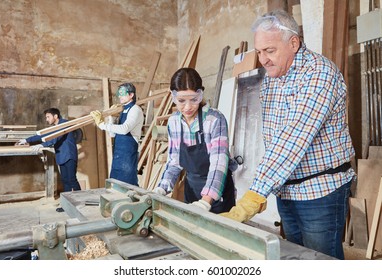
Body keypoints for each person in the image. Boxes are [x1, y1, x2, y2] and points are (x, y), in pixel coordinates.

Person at [220, 10, 356, 260]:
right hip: (286, 191)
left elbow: (292, 139)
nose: (263, 59)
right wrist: (267, 187)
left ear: (293, 43)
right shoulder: (273, 77)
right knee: (295, 258)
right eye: (259, 52)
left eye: (269, 50)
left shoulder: (318, 74)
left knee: (320, 261)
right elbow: (273, 136)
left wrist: (254, 196)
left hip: (320, 191)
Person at [153, 68, 236, 214]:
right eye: (181, 101)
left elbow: (219, 163)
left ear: (200, 94)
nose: (187, 107)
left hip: (217, 190)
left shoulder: (214, 119)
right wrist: (162, 188)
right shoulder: (174, 122)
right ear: (173, 97)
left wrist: (206, 201)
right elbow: (174, 161)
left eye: (193, 100)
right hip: (191, 188)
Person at [16, 108, 81, 212]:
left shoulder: (64, 124)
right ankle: (67, 205)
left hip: (69, 155)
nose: (46, 119)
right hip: (62, 157)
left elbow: (55, 138)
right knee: (65, 181)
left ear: (55, 116)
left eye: (48, 117)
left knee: (72, 180)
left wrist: (42, 144)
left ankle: (81, 202)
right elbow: (43, 135)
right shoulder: (55, 127)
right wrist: (26, 140)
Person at [90, 83, 144, 186]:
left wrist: (102, 124)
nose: (119, 96)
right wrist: (112, 117)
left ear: (131, 95)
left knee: (128, 186)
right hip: (118, 155)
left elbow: (124, 129)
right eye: (119, 94)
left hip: (128, 155)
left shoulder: (135, 110)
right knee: (115, 185)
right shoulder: (123, 110)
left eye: (122, 93)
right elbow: (113, 134)